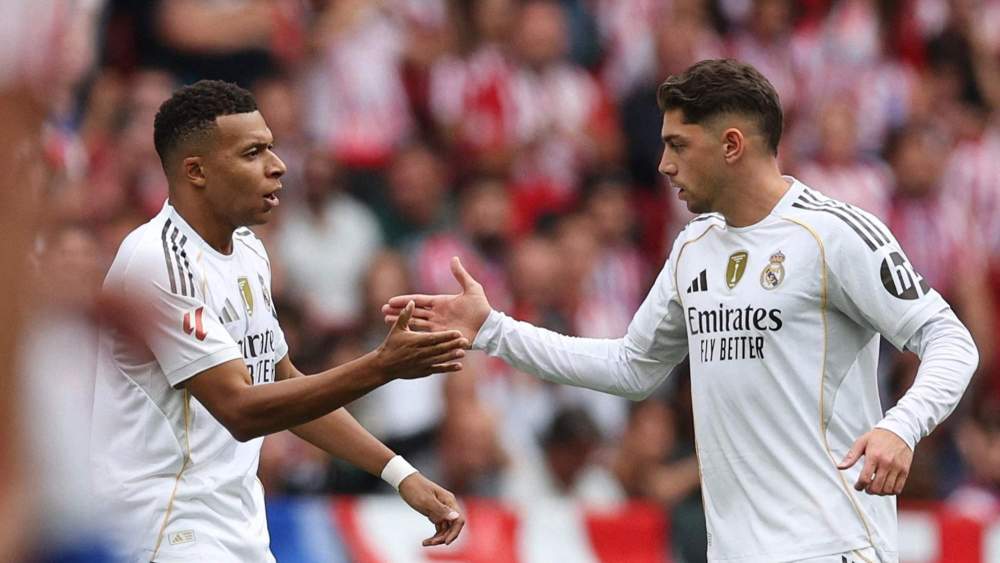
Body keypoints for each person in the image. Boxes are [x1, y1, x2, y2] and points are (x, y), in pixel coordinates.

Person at [383, 59, 979, 563]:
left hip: (832, 545)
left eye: (678, 145)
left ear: (731, 145)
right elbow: (631, 367)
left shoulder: (834, 235)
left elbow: (951, 340)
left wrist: (901, 426)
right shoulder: (694, 247)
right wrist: (493, 330)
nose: (664, 164)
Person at [90, 80, 468, 563]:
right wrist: (382, 366)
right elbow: (241, 410)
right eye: (253, 153)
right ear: (196, 171)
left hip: (238, 526)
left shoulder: (248, 250)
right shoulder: (159, 261)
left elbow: (283, 381)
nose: (278, 165)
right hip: (164, 529)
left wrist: (399, 473)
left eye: (271, 147)